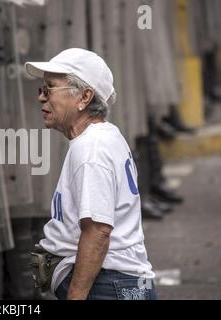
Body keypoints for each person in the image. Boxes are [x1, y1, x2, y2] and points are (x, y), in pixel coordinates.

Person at [25, 48, 157, 300]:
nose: (42, 98)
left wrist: (75, 296)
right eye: (41, 90)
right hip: (114, 284)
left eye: (49, 88)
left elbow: (97, 232)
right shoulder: (102, 137)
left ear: (84, 97)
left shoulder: (92, 149)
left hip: (108, 286)